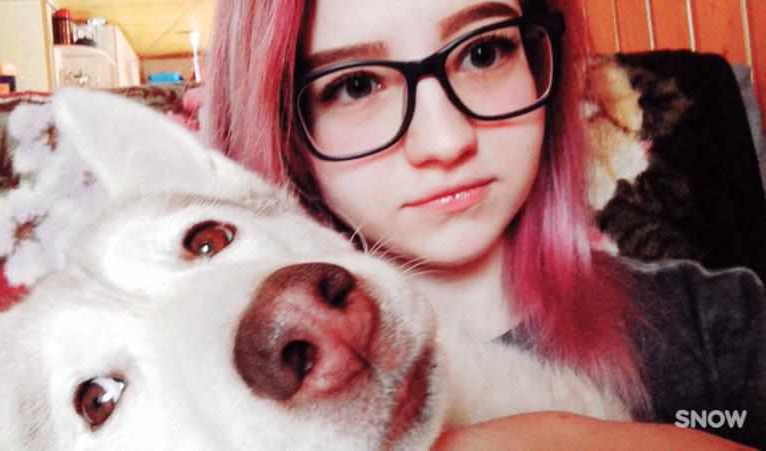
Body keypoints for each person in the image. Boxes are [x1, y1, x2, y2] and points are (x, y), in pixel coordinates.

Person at [201, 0, 765, 448]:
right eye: (356, 86)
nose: (446, 141)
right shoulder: (223, 410)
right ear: (283, 131)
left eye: (484, 52)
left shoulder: (721, 324)